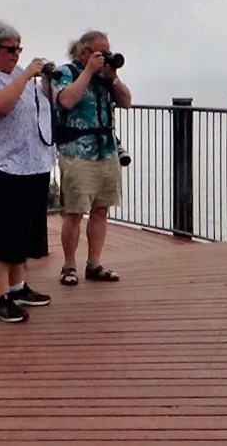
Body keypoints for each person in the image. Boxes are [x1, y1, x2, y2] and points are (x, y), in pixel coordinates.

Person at [0, 20, 56, 323]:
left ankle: (17, 287)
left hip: (29, 166)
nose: (16, 55)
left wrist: (46, 81)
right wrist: (27, 74)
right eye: (10, 49)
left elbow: (42, 108)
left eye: (18, 49)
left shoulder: (19, 75)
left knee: (21, 233)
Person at [50, 31, 133, 286]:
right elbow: (65, 100)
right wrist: (88, 72)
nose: (106, 56)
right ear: (84, 52)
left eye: (108, 51)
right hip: (76, 152)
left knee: (101, 210)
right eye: (101, 52)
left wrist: (113, 76)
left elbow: (126, 102)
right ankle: (69, 265)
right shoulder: (65, 72)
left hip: (106, 150)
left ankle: (94, 263)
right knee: (74, 212)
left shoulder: (105, 77)